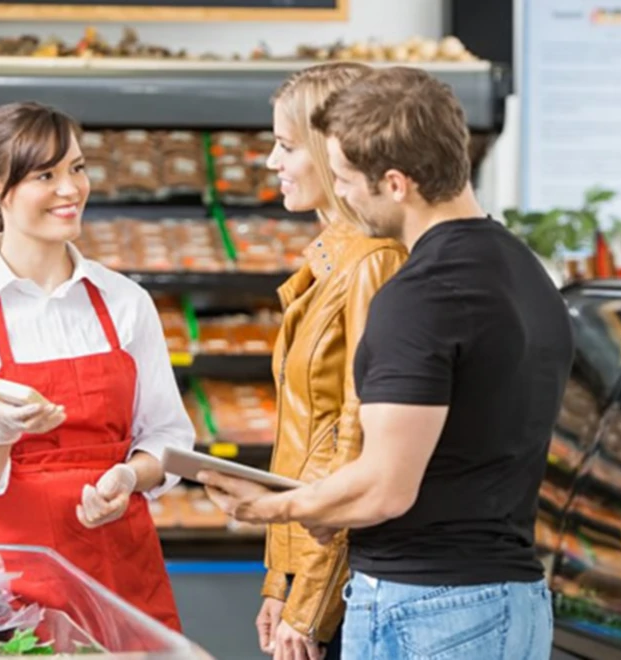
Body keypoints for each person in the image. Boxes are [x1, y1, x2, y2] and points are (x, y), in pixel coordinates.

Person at [197, 66, 574, 659]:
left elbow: (385, 488)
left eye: (347, 180)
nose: (342, 195)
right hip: (512, 599)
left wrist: (271, 506)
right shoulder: (523, 269)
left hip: (430, 609)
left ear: (395, 184)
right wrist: (322, 519)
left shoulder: (420, 293)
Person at [0, 101, 193, 632]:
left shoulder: (125, 301)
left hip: (120, 565)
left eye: (77, 168)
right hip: (11, 577)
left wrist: (129, 475)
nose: (70, 190)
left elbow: (169, 436)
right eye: (46, 175)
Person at [258, 62, 407, 660]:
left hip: (339, 577)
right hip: (307, 560)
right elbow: (301, 436)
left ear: (331, 150)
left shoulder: (373, 262)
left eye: (287, 145)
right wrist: (279, 580)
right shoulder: (329, 258)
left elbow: (357, 442)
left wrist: (309, 604)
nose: (272, 161)